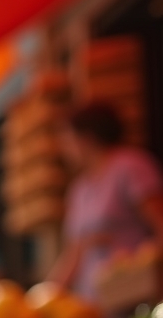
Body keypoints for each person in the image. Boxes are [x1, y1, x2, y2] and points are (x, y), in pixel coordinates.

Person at [49, 102, 163, 301]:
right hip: (97, 303)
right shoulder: (79, 189)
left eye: (67, 139)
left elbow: (159, 221)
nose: (63, 148)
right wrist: (46, 294)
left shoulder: (130, 167)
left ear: (87, 138)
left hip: (138, 295)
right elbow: (74, 253)